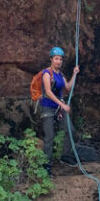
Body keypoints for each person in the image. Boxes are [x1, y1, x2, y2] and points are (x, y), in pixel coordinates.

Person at [39, 47, 79, 175]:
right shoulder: (47, 73)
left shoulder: (60, 74)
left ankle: (65, 156)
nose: (58, 61)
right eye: (56, 59)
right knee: (49, 137)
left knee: (70, 130)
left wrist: (74, 74)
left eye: (60, 59)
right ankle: (46, 165)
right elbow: (49, 92)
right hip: (48, 107)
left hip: (59, 108)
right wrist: (62, 104)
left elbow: (67, 87)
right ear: (51, 59)